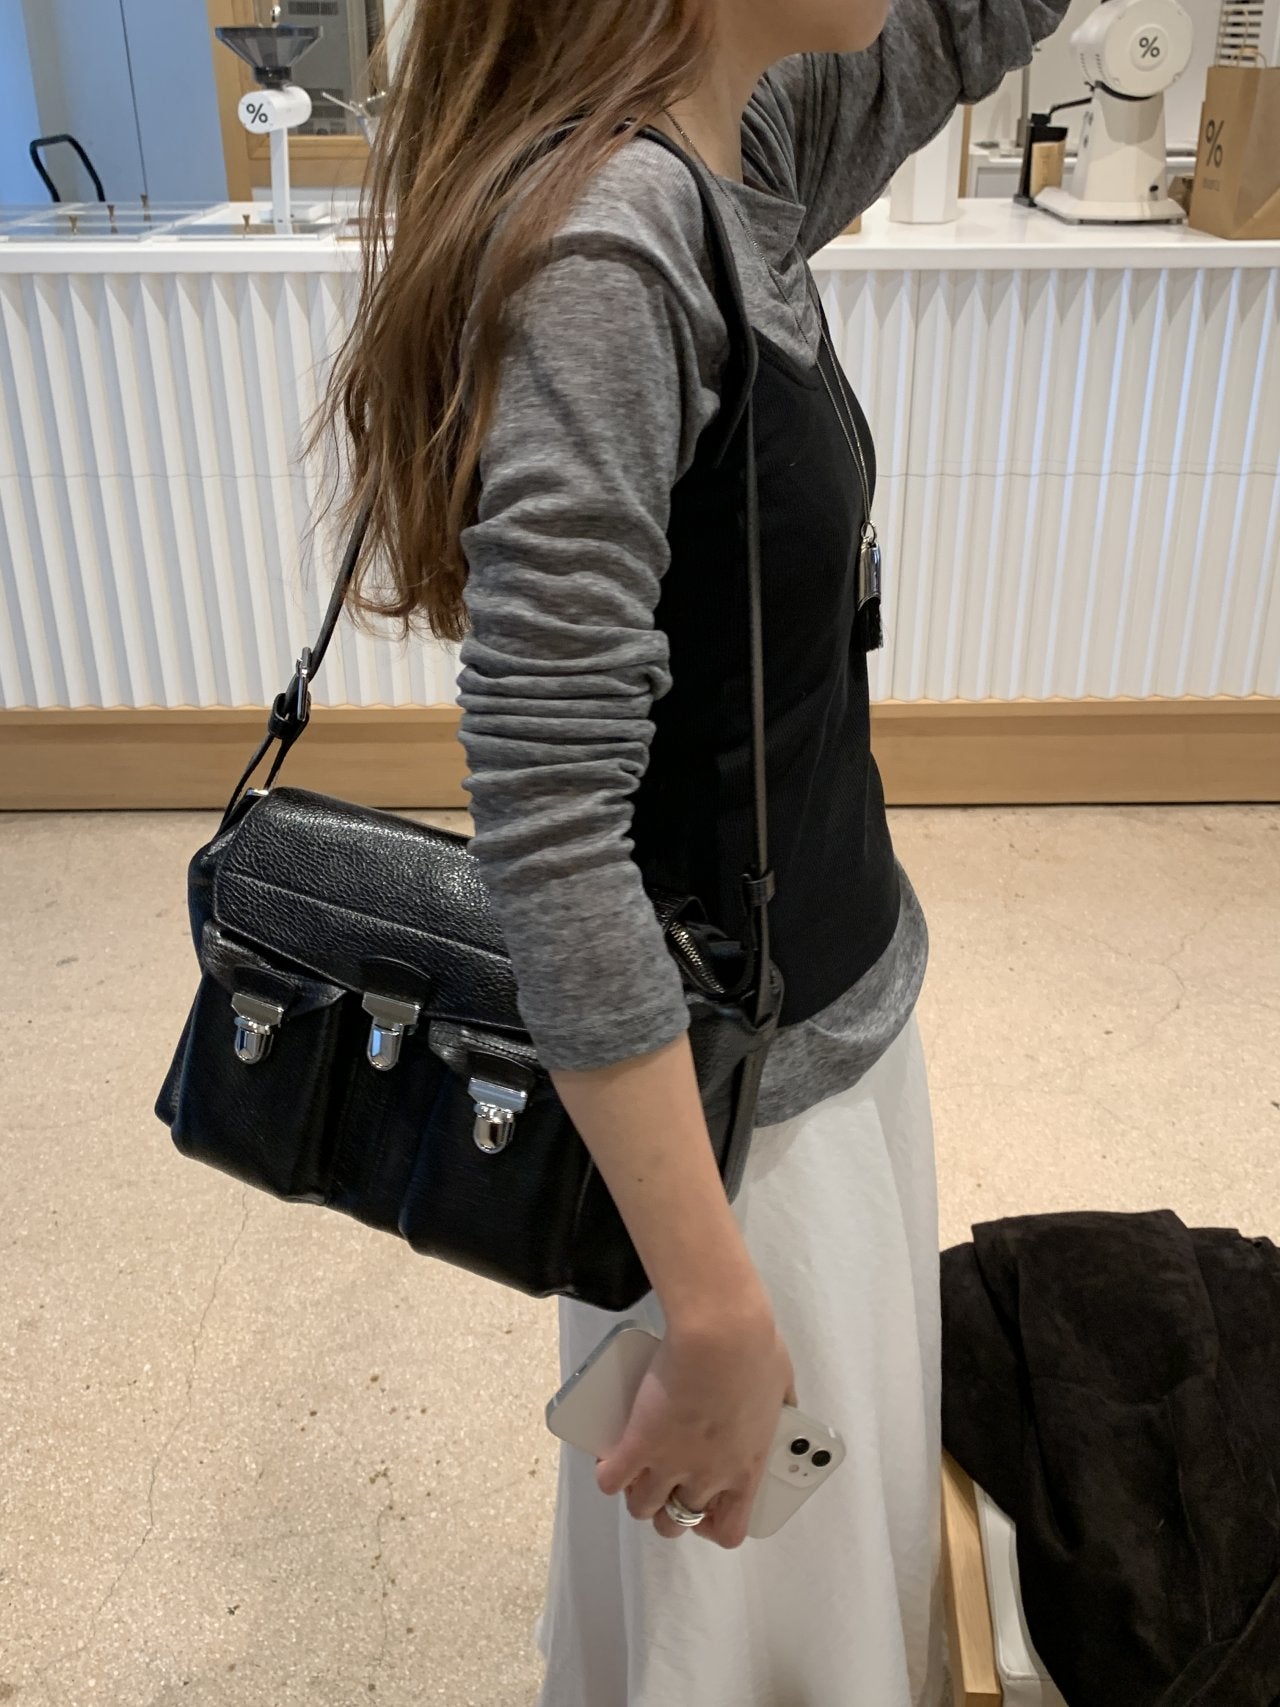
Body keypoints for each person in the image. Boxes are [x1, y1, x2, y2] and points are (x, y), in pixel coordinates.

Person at [310, 0, 1069, 1701]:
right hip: (732, 1122)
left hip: (818, 1035)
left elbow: (965, 25)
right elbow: (550, 825)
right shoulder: (617, 242)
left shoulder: (742, 156)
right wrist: (709, 1299)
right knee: (750, 1631)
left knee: (811, 1587)